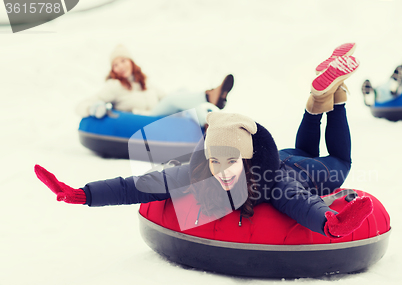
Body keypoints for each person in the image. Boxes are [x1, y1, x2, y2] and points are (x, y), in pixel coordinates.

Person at [36, 43, 373, 239]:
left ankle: (334, 99)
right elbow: (137, 185)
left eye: (231, 162)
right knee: (303, 149)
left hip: (305, 173)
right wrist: (84, 194)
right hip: (291, 155)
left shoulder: (274, 182)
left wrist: (330, 223)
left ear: (246, 158)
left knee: (341, 162)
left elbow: (302, 204)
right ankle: (319, 98)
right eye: (216, 161)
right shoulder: (203, 171)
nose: (223, 172)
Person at [76, 44, 234, 127]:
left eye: (123, 61)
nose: (120, 66)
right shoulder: (114, 85)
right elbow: (82, 104)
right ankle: (209, 96)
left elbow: (167, 98)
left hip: (158, 114)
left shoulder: (144, 82)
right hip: (142, 119)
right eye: (115, 64)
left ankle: (209, 120)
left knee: (181, 91)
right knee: (173, 99)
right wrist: (92, 108)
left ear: (131, 62)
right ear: (112, 69)